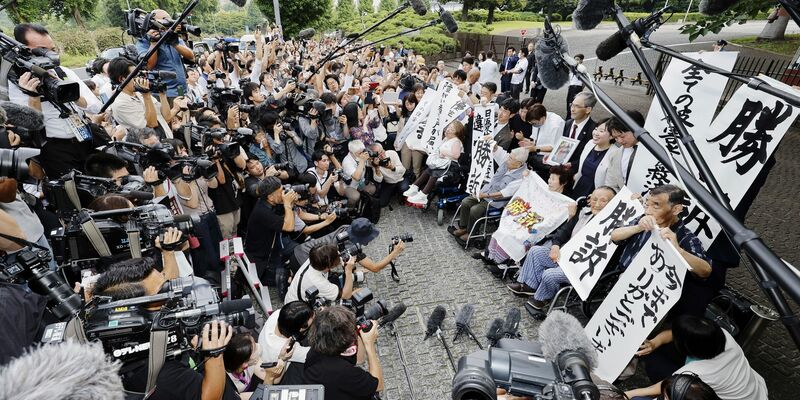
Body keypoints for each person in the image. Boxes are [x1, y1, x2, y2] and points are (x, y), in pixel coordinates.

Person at [10, 24, 103, 179]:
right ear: (24, 50)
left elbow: (95, 107)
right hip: (56, 150)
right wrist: (33, 95)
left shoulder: (64, 72)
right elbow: (30, 126)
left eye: (52, 50)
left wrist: (72, 94)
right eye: (42, 50)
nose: (50, 56)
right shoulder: (18, 83)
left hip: (86, 139)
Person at [611, 184, 714, 317]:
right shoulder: (642, 220)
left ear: (676, 209)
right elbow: (614, 236)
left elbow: (705, 271)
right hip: (621, 281)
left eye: (656, 205)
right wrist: (637, 227)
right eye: (647, 204)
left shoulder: (686, 237)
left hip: (650, 299)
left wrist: (678, 250)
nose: (648, 211)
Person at [507, 187, 616, 311]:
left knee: (549, 274)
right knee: (535, 251)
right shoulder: (584, 213)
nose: (597, 204)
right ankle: (529, 286)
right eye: (594, 199)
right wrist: (555, 246)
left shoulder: (614, 227)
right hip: (566, 256)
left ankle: (543, 299)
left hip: (583, 267)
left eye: (603, 201)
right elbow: (564, 231)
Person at [624, 315, 767, 400]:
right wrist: (655, 343)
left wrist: (627, 395)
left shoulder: (700, 373)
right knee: (658, 353)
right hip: (754, 390)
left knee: (654, 365)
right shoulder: (720, 335)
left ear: (689, 346)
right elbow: (675, 334)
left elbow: (668, 386)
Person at [303, 305, 383, 400]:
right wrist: (369, 345)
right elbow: (379, 385)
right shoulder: (345, 372)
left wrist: (355, 332)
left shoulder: (316, 349)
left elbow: (359, 359)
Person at [452, 145, 529, 243]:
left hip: (495, 200)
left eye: (510, 158)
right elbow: (497, 151)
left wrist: (484, 196)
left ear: (518, 164)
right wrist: (493, 145)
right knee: (465, 201)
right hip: (486, 191)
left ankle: (472, 232)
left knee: (475, 210)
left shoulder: (520, 177)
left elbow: (503, 194)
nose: (507, 159)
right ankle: (463, 227)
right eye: (509, 156)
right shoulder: (507, 163)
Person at [245, 177, 299, 292]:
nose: (283, 194)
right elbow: (289, 227)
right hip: (263, 262)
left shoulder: (267, 203)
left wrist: (291, 204)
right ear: (270, 197)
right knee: (288, 280)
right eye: (280, 192)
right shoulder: (262, 212)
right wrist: (288, 204)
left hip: (273, 251)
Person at [137, 9, 195, 103]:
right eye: (164, 20)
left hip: (181, 90)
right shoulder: (144, 41)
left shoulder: (173, 36)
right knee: (171, 117)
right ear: (153, 23)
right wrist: (154, 43)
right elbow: (148, 66)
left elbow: (191, 56)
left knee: (185, 116)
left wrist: (174, 43)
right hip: (164, 94)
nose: (169, 23)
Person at [404, 120, 465, 207]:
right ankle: (415, 187)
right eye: (448, 127)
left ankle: (424, 194)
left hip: (451, 167)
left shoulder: (456, 141)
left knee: (434, 173)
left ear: (457, 131)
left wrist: (443, 152)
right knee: (427, 170)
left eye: (451, 128)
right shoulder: (446, 139)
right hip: (443, 164)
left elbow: (456, 155)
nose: (448, 129)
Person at [258, 301, 315, 384]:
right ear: (301, 330)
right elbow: (314, 354)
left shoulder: (277, 314)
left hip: (267, 356)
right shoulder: (288, 347)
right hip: (279, 374)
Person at [284, 243, 356, 304]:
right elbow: (346, 295)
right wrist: (348, 271)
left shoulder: (315, 257)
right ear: (329, 265)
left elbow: (330, 257)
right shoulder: (317, 282)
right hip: (298, 310)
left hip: (292, 297)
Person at [223, 333, 287, 396]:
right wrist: (269, 377)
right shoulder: (229, 387)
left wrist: (282, 358)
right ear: (244, 364)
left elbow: (276, 380)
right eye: (255, 349)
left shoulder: (251, 361)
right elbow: (261, 396)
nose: (258, 346)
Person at [572, 119, 617, 199]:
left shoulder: (615, 154)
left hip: (597, 194)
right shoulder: (590, 144)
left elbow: (611, 183)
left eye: (601, 131)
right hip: (579, 185)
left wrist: (600, 196)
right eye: (596, 129)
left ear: (611, 136)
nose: (596, 133)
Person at [519, 104, 565, 180]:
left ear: (543, 118)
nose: (533, 125)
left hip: (549, 160)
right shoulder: (537, 120)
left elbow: (554, 147)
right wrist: (528, 142)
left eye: (534, 123)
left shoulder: (555, 125)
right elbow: (534, 139)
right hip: (538, 155)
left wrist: (534, 148)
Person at [603, 111, 645, 192]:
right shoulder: (615, 155)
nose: (619, 141)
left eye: (622, 136)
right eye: (615, 138)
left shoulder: (654, 151)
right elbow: (611, 185)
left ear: (636, 129)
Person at [562, 91, 598, 171]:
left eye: (577, 106)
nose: (572, 109)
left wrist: (573, 165)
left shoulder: (594, 130)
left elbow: (591, 157)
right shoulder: (567, 124)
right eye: (572, 105)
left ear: (588, 110)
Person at [369, 142, 406, 207]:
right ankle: (393, 192)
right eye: (379, 154)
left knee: (404, 188)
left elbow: (403, 170)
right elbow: (378, 180)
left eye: (382, 151)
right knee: (382, 203)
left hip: (400, 178)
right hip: (389, 182)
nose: (382, 155)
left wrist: (392, 168)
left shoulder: (392, 153)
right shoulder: (374, 162)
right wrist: (376, 167)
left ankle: (400, 194)